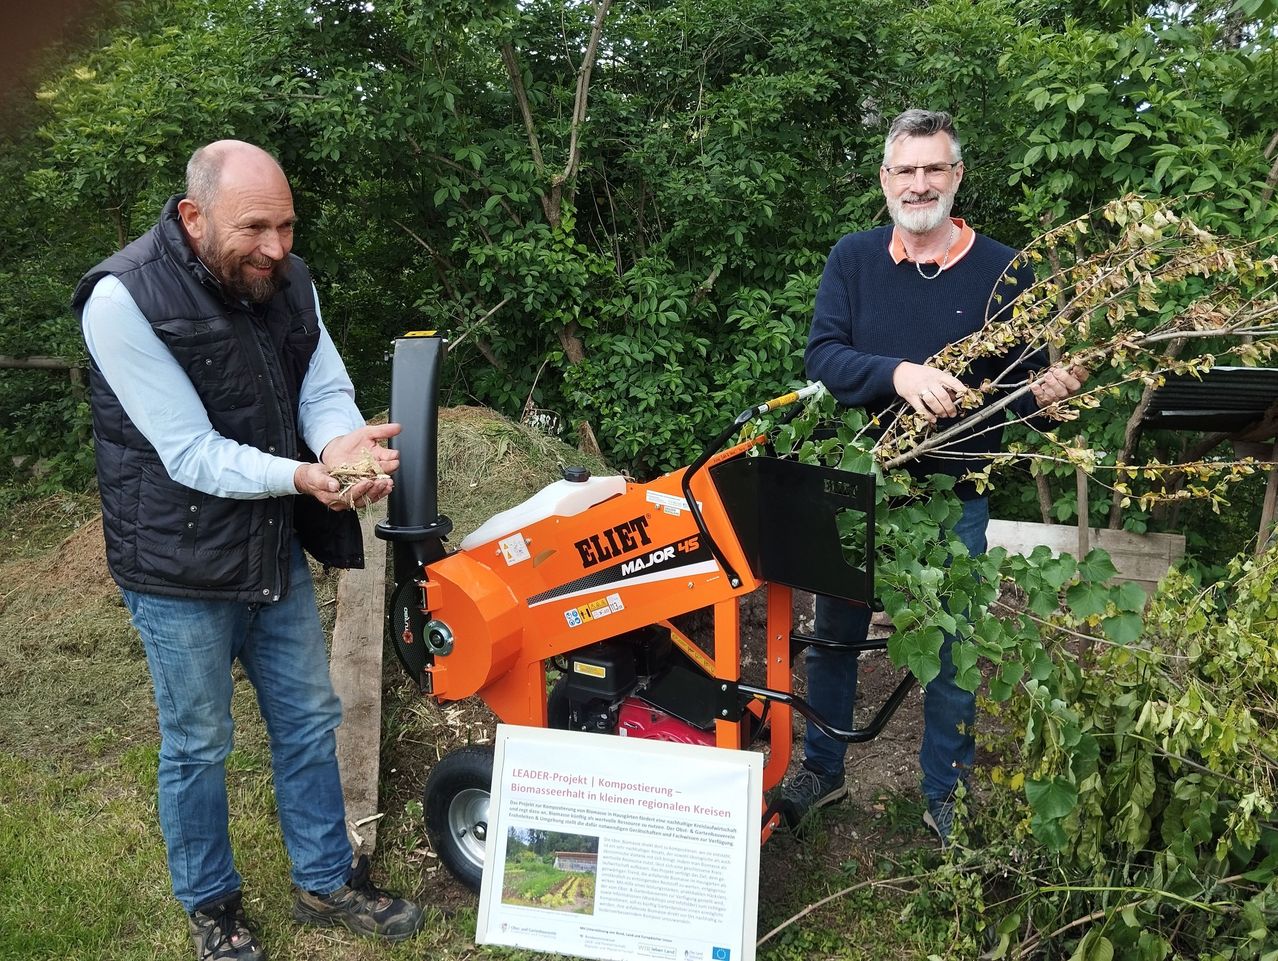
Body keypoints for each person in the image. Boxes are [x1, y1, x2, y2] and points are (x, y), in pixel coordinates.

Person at [72, 141, 424, 960]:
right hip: (176, 563)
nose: (276, 247)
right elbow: (190, 452)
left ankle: (326, 879)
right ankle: (213, 905)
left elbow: (321, 385)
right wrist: (307, 476)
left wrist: (342, 448)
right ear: (193, 219)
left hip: (265, 546)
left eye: (287, 225)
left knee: (308, 719)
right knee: (199, 739)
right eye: (255, 227)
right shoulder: (121, 300)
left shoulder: (288, 280)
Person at [782, 110, 1086, 843]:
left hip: (955, 496)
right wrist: (900, 373)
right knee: (834, 636)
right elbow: (823, 357)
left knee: (954, 652)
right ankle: (821, 768)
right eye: (905, 170)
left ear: (956, 177)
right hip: (860, 485)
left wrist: (1053, 396)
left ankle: (944, 792)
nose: (919, 183)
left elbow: (1027, 392)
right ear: (886, 180)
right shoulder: (853, 259)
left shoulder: (1007, 270)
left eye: (934, 169)